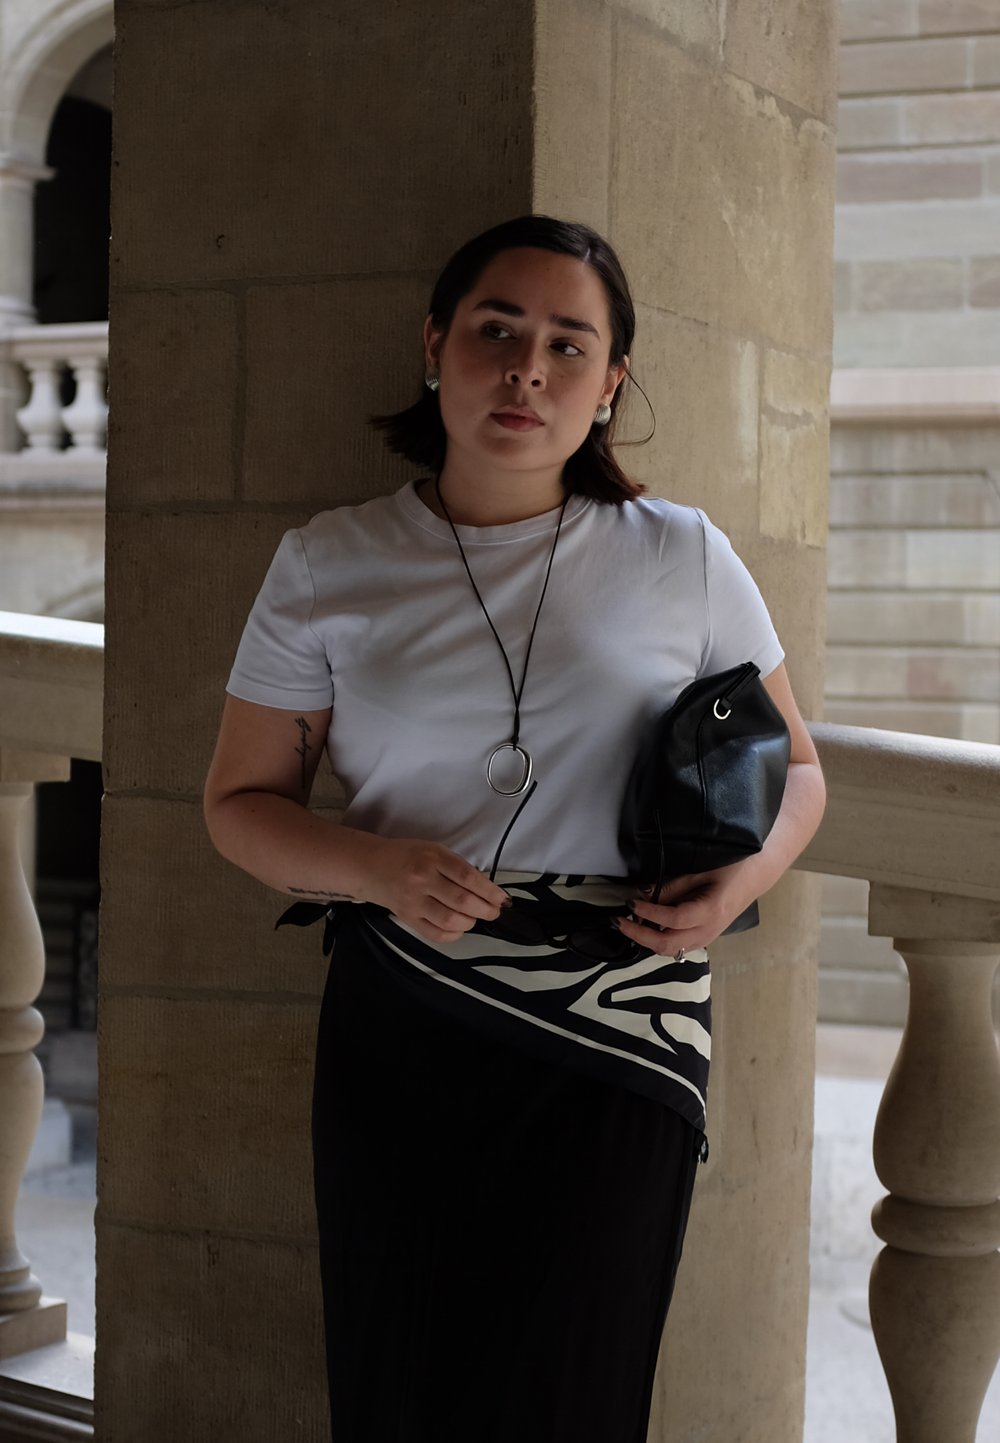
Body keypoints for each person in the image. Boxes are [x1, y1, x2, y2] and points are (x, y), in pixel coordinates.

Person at [203, 214, 826, 1443]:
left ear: (610, 384)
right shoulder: (329, 561)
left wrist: (739, 881)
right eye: (496, 330)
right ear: (436, 344)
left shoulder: (682, 554)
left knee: (573, 1388)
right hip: (406, 1012)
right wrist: (377, 868)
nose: (526, 370)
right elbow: (238, 806)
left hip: (622, 1019)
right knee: (400, 1375)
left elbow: (798, 768)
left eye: (566, 345)